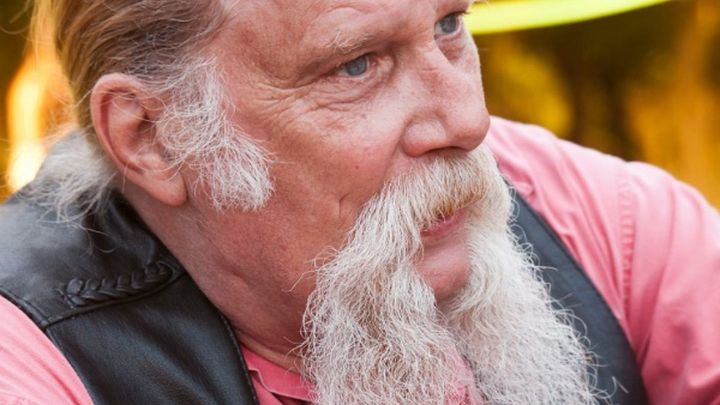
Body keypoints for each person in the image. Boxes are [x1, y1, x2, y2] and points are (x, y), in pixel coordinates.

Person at [0, 0, 718, 404]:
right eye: (356, 65)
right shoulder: (27, 352)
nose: (469, 121)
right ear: (154, 137)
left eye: (448, 26)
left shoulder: (596, 213)